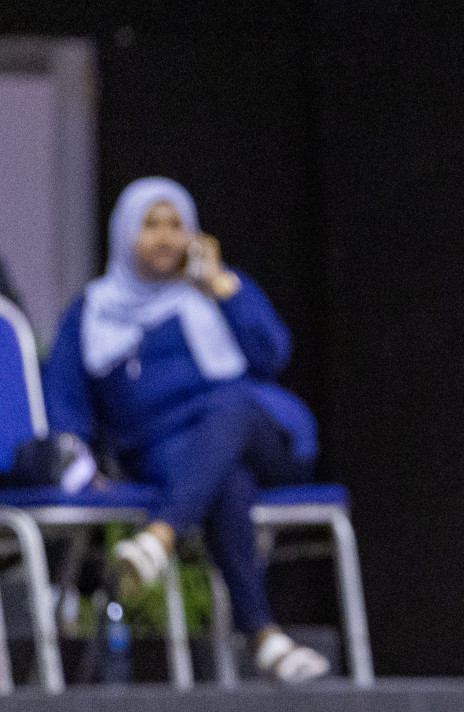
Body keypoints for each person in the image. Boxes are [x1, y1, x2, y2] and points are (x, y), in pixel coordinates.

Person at [42, 177, 329, 683]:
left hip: (261, 436)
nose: (165, 238)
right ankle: (264, 634)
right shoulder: (93, 311)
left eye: (176, 225)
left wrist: (222, 287)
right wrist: (80, 467)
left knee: (232, 405)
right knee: (225, 481)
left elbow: (273, 355)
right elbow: (63, 402)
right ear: (124, 232)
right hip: (164, 450)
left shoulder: (215, 289)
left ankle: (160, 532)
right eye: (150, 224)